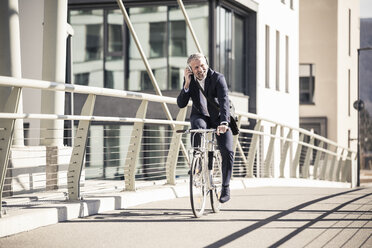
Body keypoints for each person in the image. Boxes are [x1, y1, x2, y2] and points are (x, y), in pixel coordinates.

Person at [177, 53, 234, 203]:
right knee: (196, 127)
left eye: (202, 65)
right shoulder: (190, 80)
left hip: (219, 118)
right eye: (196, 67)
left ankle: (226, 187)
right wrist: (187, 85)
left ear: (206, 64)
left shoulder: (217, 78)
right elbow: (181, 104)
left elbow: (224, 102)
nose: (200, 69)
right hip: (201, 116)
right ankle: (198, 161)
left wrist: (224, 123)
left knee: (227, 150)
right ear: (190, 69)